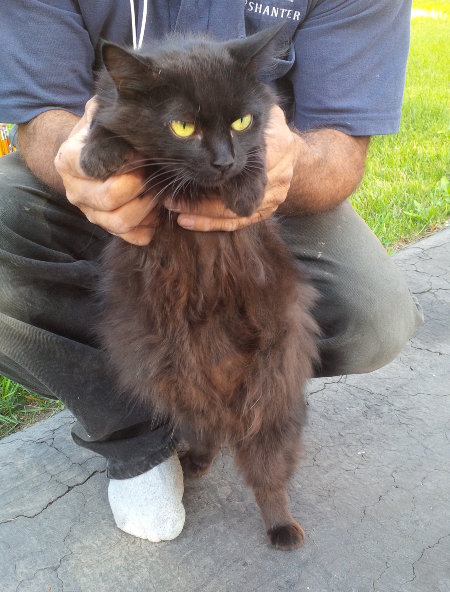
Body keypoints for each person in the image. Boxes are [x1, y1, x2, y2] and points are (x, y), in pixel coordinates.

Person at [0, 0, 422, 542]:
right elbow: (39, 112)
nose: (220, 154)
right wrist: (85, 161)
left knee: (372, 315)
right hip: (119, 189)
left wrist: (275, 166)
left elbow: (341, 148)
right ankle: (136, 435)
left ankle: (229, 400)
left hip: (265, 207)